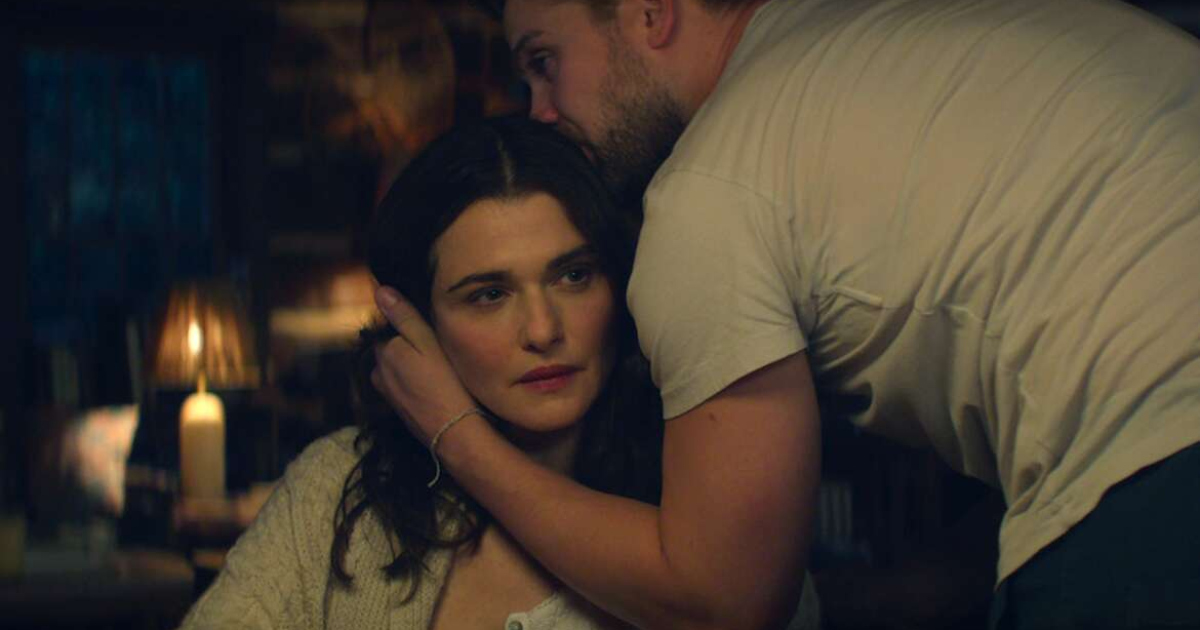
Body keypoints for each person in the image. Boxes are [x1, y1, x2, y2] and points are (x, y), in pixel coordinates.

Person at [369, 0, 1200, 629]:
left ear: (650, 13)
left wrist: (457, 437)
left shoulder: (712, 188)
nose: (539, 109)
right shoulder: (897, 36)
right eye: (489, 293)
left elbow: (725, 601)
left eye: (544, 61)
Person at [178, 116, 822, 629]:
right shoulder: (337, 489)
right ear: (416, 324)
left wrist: (460, 436)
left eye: (574, 276)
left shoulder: (708, 506)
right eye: (489, 294)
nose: (542, 330)